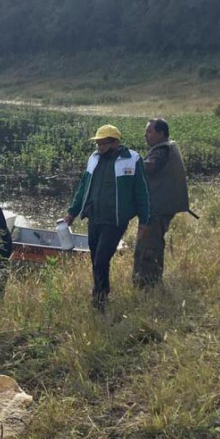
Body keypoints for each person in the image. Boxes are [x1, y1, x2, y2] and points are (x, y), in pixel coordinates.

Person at [62, 125, 150, 312]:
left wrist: (144, 220)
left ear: (115, 143)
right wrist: (72, 212)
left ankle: (101, 296)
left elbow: (142, 192)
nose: (99, 146)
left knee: (102, 258)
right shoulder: (93, 159)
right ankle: (98, 292)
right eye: (98, 143)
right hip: (95, 217)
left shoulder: (132, 160)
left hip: (116, 220)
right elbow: (83, 188)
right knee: (95, 257)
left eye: (103, 143)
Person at [132, 118, 190, 288]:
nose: (146, 135)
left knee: (147, 247)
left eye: (149, 131)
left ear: (161, 133)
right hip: (159, 207)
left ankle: (146, 285)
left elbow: (151, 166)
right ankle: (150, 283)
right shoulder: (166, 148)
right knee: (152, 244)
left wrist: (130, 164)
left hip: (157, 209)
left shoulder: (162, 150)